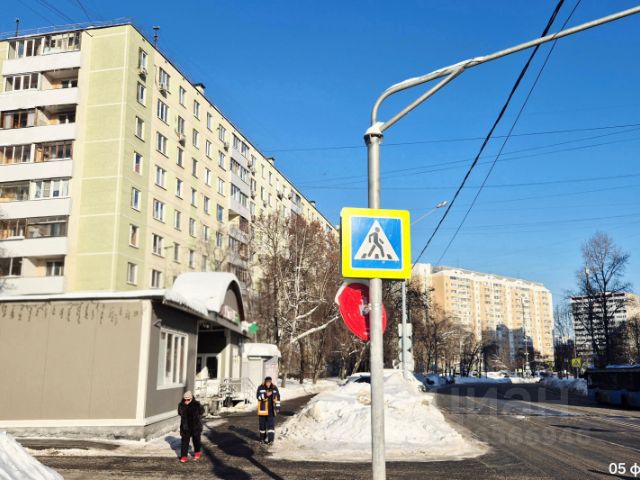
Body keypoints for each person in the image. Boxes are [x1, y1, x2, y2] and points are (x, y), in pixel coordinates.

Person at [177, 391, 204, 463]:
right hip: (185, 426)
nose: (186, 401)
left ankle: (197, 452)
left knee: (196, 440)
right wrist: (183, 407)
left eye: (188, 399)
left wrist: (198, 412)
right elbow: (179, 412)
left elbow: (202, 411)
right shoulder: (181, 405)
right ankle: (184, 456)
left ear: (191, 398)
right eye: (185, 399)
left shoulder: (196, 404)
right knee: (184, 441)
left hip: (195, 426)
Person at [256, 376, 280, 444]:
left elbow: (277, 398)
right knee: (262, 426)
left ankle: (270, 440)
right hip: (262, 410)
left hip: (271, 410)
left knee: (271, 427)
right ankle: (262, 439)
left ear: (271, 382)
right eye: (267, 382)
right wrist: (266, 395)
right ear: (265, 382)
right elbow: (258, 397)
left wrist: (278, 407)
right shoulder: (260, 387)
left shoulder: (274, 388)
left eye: (269, 382)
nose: (268, 384)